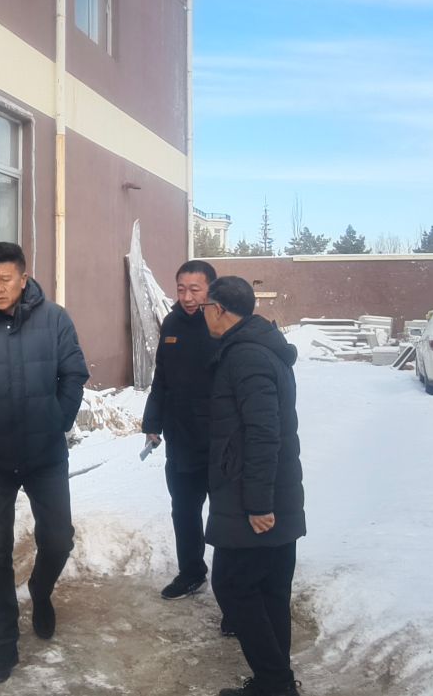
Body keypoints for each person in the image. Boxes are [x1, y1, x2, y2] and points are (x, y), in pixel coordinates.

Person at [0, 242, 89, 684]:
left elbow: (74, 373)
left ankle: (41, 591)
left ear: (24, 278)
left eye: (6, 279)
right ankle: (5, 638)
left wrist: (57, 420)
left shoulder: (55, 319)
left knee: (59, 539)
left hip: (45, 455)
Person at [200, 276, 307, 696]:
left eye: (205, 306)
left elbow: (263, 433)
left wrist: (259, 503)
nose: (203, 314)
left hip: (256, 496)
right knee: (270, 590)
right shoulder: (260, 347)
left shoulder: (246, 356)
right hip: (269, 489)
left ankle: (275, 682)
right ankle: (275, 680)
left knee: (233, 586)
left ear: (219, 309)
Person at [141, 260, 219, 603]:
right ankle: (191, 572)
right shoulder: (172, 323)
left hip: (220, 441)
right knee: (184, 510)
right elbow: (162, 377)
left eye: (195, 290)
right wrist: (152, 424)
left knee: (226, 517)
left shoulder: (222, 324)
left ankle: (233, 591)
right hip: (182, 438)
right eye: (181, 289)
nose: (187, 297)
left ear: (211, 289)